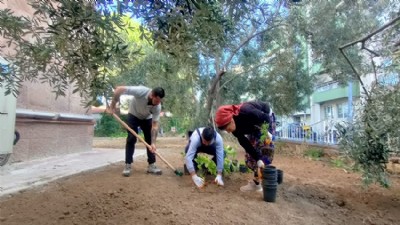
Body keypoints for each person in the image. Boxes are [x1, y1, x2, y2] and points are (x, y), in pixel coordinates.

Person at [214, 101, 276, 192]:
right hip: (253, 127)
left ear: (231, 120)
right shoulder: (235, 130)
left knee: (265, 151)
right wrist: (257, 158)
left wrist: (268, 132)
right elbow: (245, 143)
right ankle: (258, 180)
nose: (228, 132)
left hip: (265, 119)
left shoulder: (246, 111)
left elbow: (265, 117)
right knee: (250, 157)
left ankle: (260, 182)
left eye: (227, 129)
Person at [108, 85, 165, 177]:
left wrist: (153, 143)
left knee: (150, 141)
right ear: (151, 95)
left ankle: (152, 165)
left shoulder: (157, 106)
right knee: (131, 138)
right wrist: (112, 106)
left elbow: (154, 126)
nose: (158, 103)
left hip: (147, 118)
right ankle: (128, 165)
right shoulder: (141, 91)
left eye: (160, 101)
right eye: (156, 101)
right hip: (133, 115)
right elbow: (119, 89)